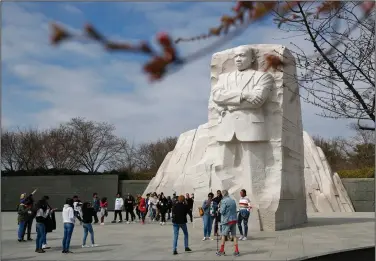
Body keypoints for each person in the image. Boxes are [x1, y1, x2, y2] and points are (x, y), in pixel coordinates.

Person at [216, 190, 239, 256]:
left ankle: (222, 250)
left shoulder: (223, 201)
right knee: (234, 235)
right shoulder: (233, 200)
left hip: (226, 220)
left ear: (223, 195)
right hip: (234, 219)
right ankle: (236, 251)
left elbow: (222, 211)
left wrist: (219, 208)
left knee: (223, 235)